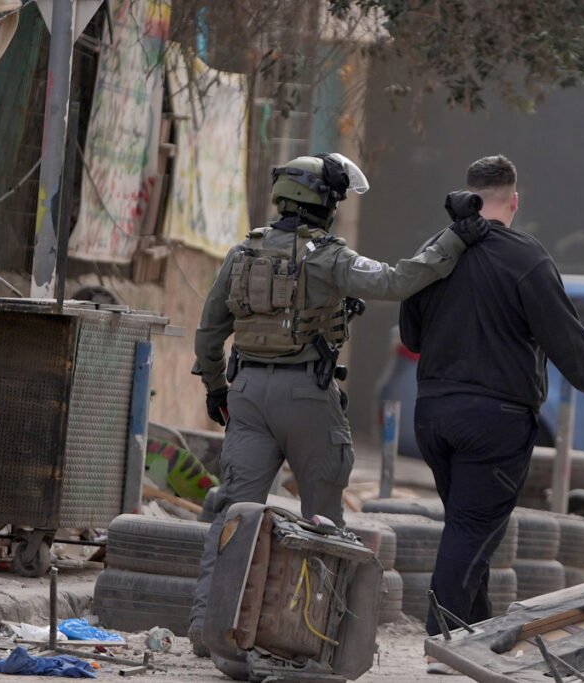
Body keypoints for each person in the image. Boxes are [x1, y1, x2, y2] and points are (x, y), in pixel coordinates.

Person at [188, 152, 489, 658]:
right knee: (323, 524)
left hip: (247, 397)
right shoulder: (328, 257)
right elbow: (396, 281)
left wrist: (217, 390)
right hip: (308, 398)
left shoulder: (242, 253)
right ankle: (314, 640)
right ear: (324, 204)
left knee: (233, 519)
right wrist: (454, 238)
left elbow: (209, 331)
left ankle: (206, 631)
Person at [399, 154, 584, 659]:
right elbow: (562, 332)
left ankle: (477, 638)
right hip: (493, 420)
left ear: (470, 192)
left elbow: (411, 334)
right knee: (471, 529)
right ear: (514, 201)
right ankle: (444, 643)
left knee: (471, 527)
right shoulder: (526, 257)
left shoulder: (436, 248)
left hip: (432, 413)